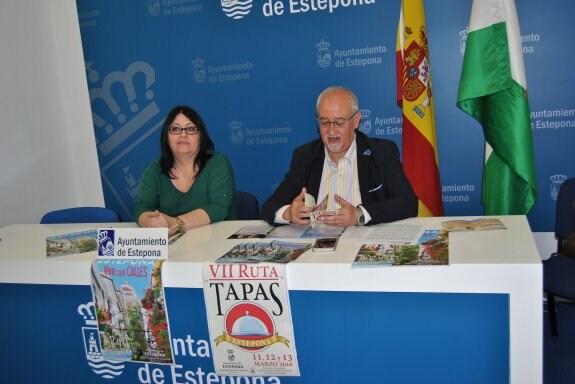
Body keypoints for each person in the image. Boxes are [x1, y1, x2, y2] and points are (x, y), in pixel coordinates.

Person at [260, 86, 418, 227]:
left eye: (339, 122)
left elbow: (407, 203)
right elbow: (269, 207)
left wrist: (358, 215)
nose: (331, 131)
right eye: (324, 122)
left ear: (356, 121)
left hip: (362, 245)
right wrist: (288, 213)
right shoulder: (305, 156)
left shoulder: (381, 152)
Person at [134, 105, 237, 235]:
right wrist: (151, 222)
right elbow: (142, 208)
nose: (183, 134)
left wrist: (174, 222)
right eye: (175, 129)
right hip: (173, 247)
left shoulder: (218, 162)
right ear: (166, 136)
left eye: (190, 129)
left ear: (201, 136)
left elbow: (218, 208)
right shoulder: (154, 170)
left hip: (219, 241)